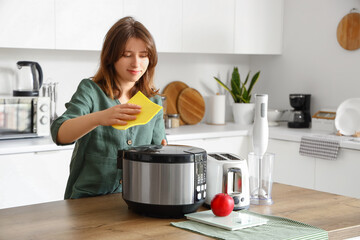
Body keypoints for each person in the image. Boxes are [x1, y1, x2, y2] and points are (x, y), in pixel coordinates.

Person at [51, 16, 167, 199]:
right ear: (111, 56)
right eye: (127, 55)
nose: (136, 63)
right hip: (86, 201)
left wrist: (165, 154)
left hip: (134, 199)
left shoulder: (154, 101)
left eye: (143, 55)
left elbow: (158, 152)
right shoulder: (91, 90)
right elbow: (59, 133)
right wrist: (99, 118)